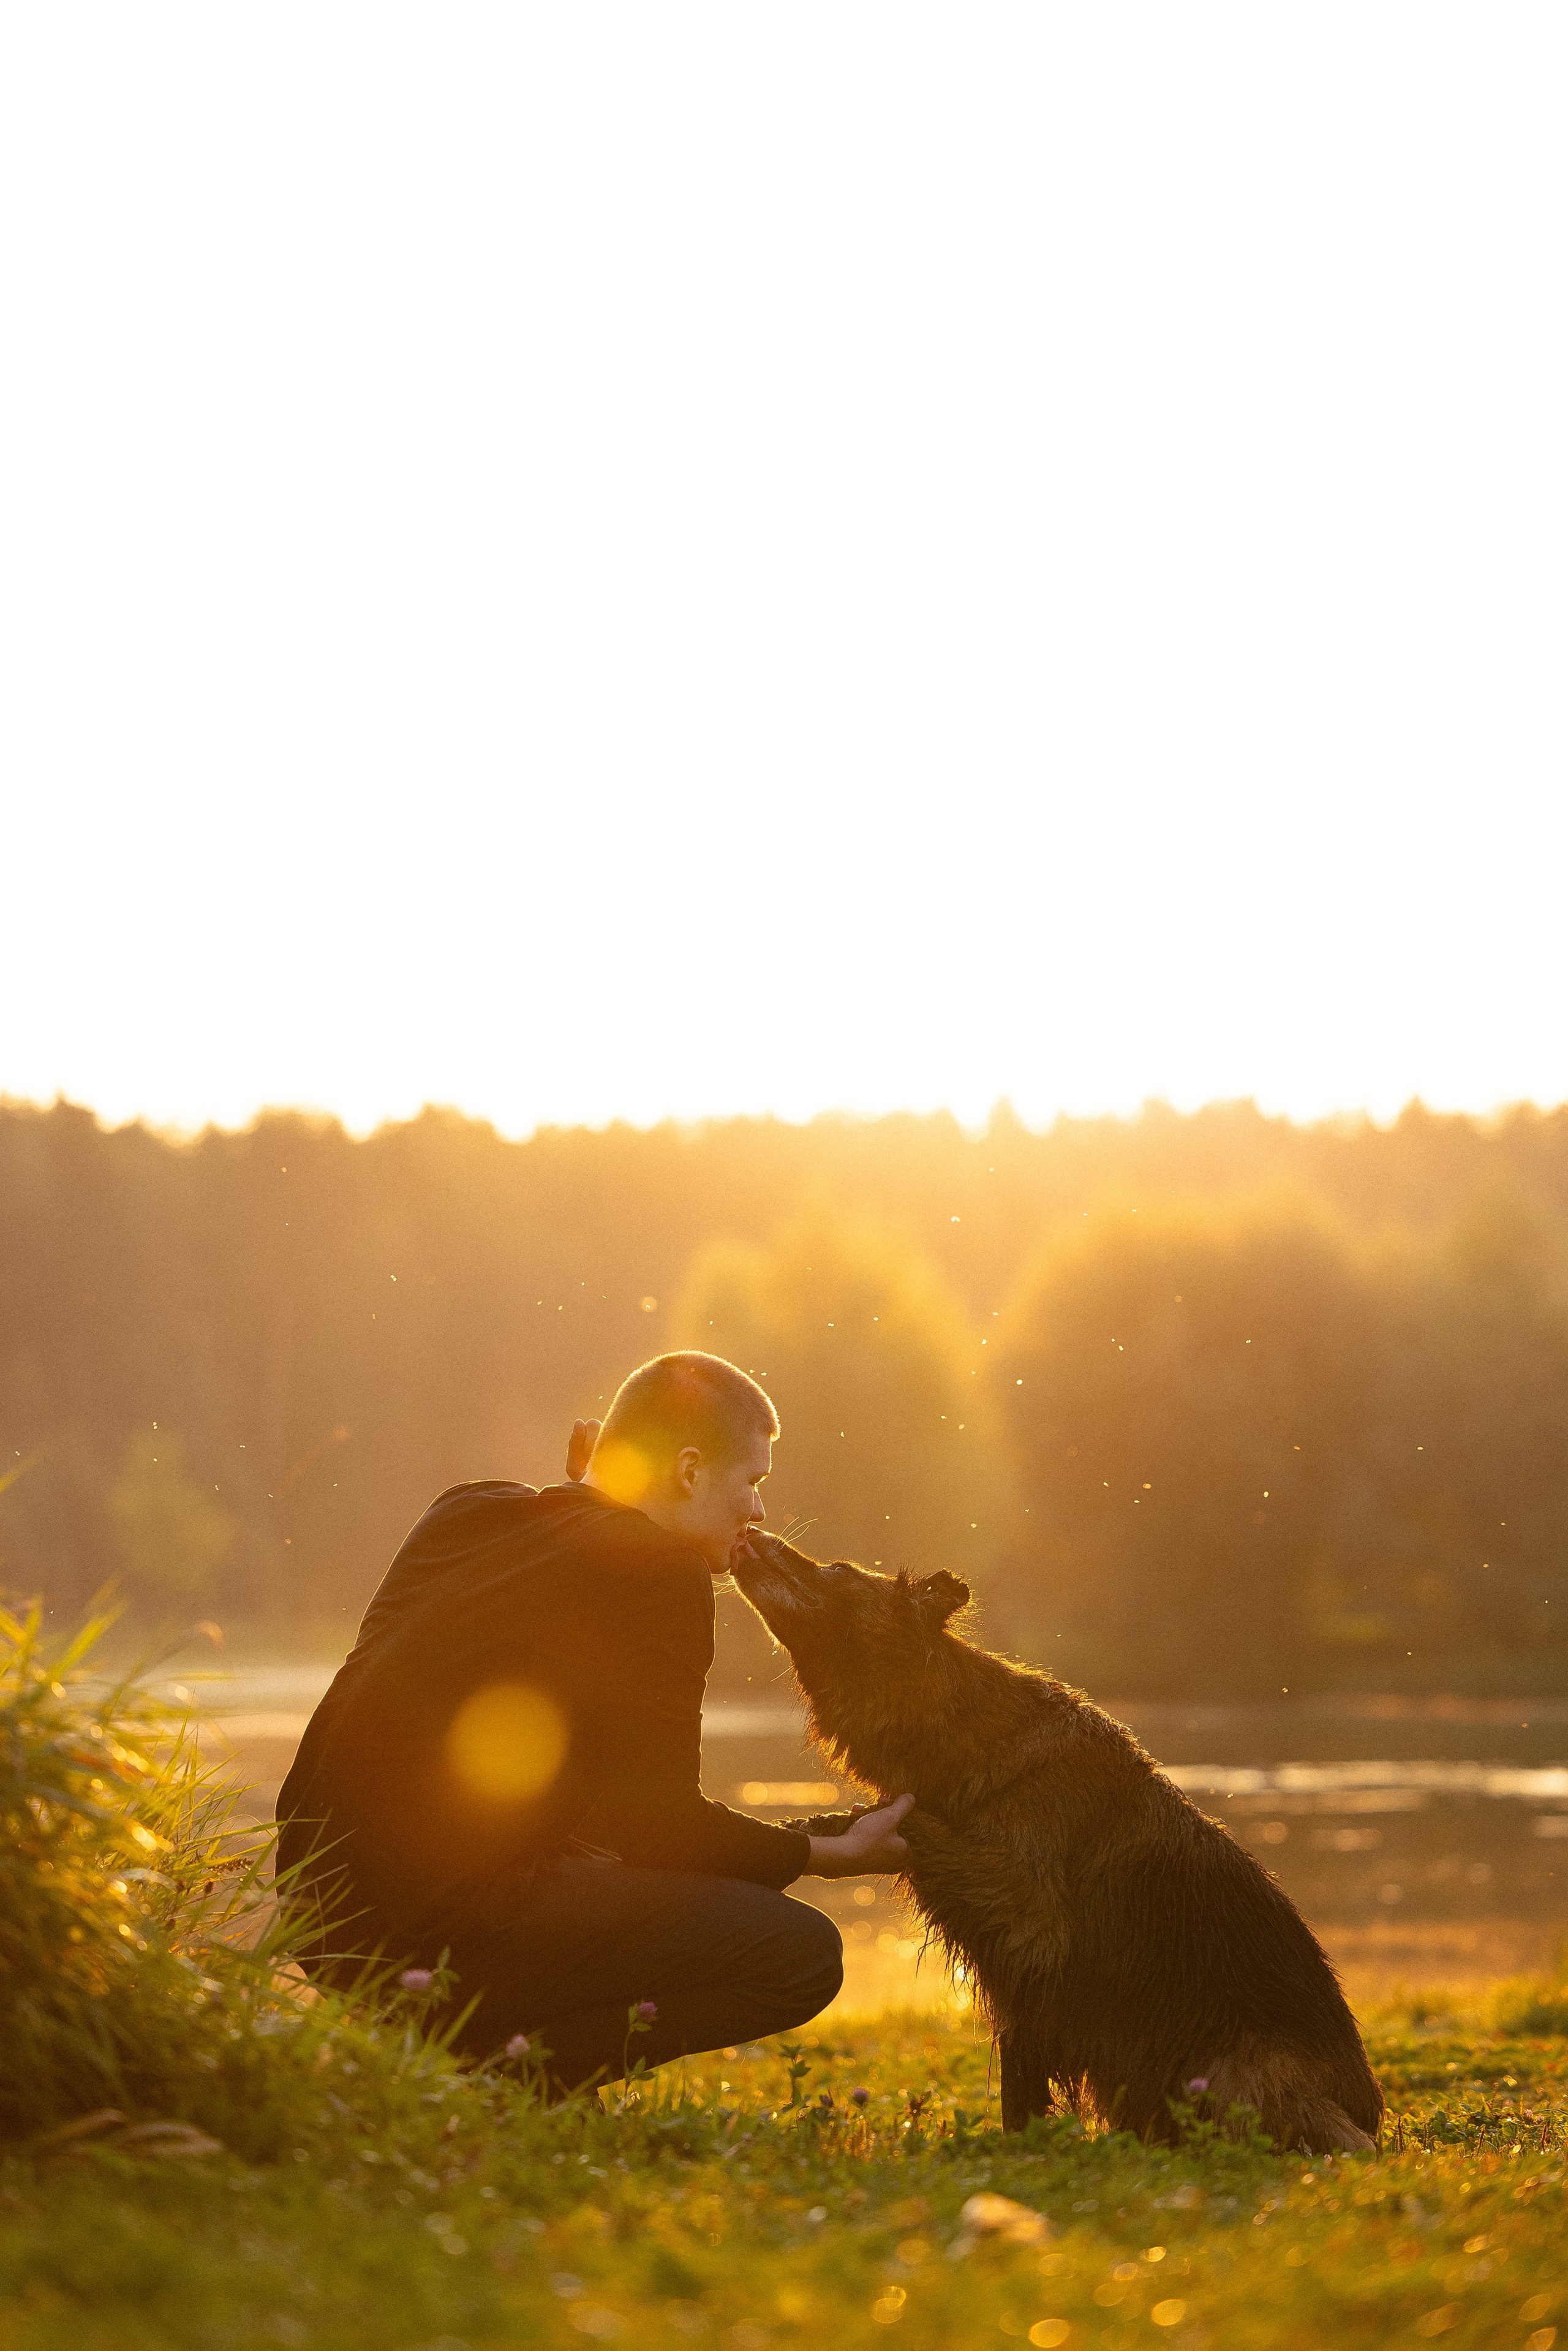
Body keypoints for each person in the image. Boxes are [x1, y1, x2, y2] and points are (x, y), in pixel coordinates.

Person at [276, 1351, 913, 2091]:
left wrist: (592, 1488)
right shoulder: (661, 1571)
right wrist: (829, 1854)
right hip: (431, 1933)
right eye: (753, 1481)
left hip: (318, 1913)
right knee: (799, 1954)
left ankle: (468, 2061)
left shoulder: (468, 1508)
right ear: (687, 1471)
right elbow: (659, 1826)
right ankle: (506, 2077)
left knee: (584, 1835)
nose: (759, 1511)